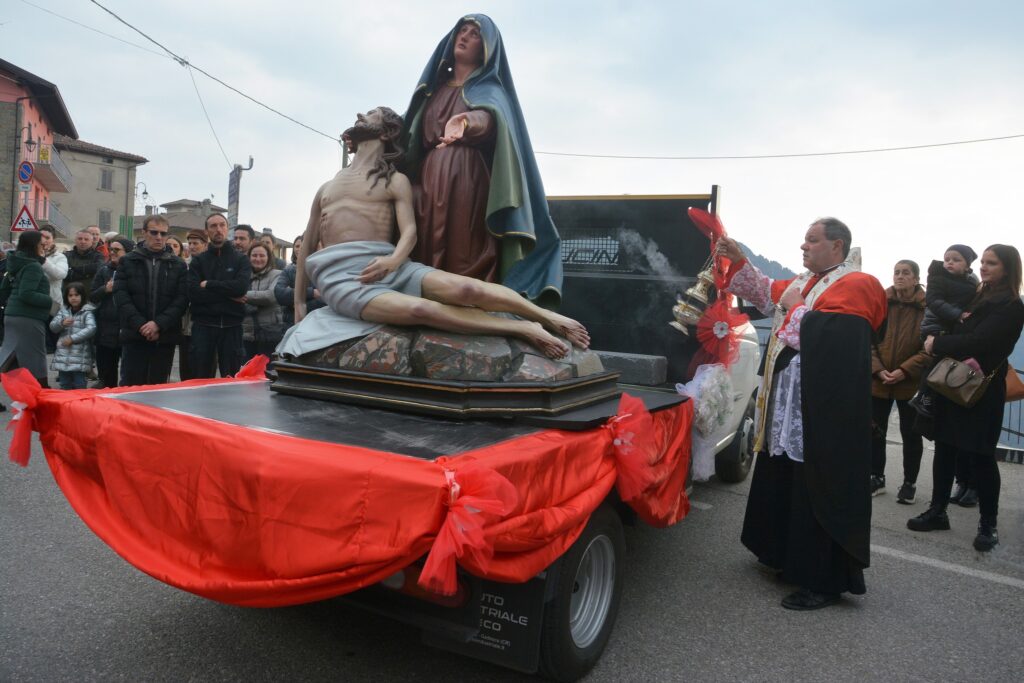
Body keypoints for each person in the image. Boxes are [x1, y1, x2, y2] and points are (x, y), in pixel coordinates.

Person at [283, 107, 589, 361]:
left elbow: (409, 232)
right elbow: (307, 246)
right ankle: (524, 329)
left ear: (386, 133)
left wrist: (393, 261)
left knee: (468, 289)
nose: (361, 114)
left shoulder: (395, 181)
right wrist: (299, 304)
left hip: (392, 264)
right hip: (347, 281)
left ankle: (546, 316)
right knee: (421, 309)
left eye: (372, 114)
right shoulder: (327, 187)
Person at [716, 219, 886, 610]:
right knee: (790, 478)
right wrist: (738, 258)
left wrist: (794, 309)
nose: (803, 246)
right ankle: (787, 556)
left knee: (817, 485)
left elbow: (831, 339)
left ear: (837, 246)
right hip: (791, 405)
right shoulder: (807, 281)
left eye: (812, 240)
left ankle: (822, 579)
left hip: (824, 411)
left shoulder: (858, 284)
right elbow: (767, 293)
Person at [401, 14, 563, 307]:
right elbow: (406, 129)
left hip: (468, 180)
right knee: (425, 245)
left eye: (474, 33)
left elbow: (490, 120)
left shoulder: (491, 91)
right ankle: (427, 305)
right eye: (462, 30)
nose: (464, 36)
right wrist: (368, 136)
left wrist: (465, 122)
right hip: (428, 180)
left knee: (464, 249)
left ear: (487, 48)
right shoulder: (433, 90)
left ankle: (468, 309)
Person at [908, 245, 1024, 552]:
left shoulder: (1012, 305)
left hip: (982, 389)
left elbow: (980, 342)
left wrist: (937, 343)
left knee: (981, 455)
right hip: (953, 383)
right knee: (945, 448)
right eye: (983, 261)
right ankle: (937, 511)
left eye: (992, 263)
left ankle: (988, 524)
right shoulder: (978, 295)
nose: (984, 267)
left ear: (1008, 268)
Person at [910, 244, 981, 505]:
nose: (949, 263)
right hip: (937, 329)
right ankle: (925, 397)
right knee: (936, 369)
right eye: (947, 259)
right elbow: (935, 302)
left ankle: (967, 484)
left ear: (967, 264)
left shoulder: (973, 283)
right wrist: (959, 315)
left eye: (956, 259)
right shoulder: (939, 278)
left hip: (953, 337)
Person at [870, 260, 929, 502]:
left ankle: (909, 483)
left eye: (906, 273)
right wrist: (878, 369)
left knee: (911, 435)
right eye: (896, 272)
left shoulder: (926, 308)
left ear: (916, 279)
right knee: (874, 431)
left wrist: (905, 370)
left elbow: (929, 349)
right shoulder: (881, 303)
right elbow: (868, 340)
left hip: (910, 383)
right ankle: (876, 477)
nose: (900, 276)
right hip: (879, 380)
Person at [114, 216, 188, 386]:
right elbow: (121, 296)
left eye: (163, 233)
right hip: (134, 334)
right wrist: (141, 325)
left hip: (164, 335)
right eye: (154, 232)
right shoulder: (127, 260)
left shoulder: (178, 264)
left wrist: (158, 324)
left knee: (158, 388)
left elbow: (182, 299)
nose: (159, 237)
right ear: (144, 232)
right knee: (131, 387)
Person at [188, 213, 251, 378]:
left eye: (222, 225)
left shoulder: (241, 260)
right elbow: (194, 294)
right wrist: (229, 295)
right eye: (213, 226)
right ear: (206, 231)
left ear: (227, 228)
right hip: (203, 326)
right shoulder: (198, 261)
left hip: (232, 327)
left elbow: (240, 288)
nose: (218, 229)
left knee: (232, 380)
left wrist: (209, 284)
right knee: (201, 379)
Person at [0, 231, 55, 389]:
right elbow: (26, 294)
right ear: (33, 245)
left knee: (11, 355)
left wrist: (11, 306)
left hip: (12, 315)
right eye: (41, 243)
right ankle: (42, 391)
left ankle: (36, 391)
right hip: (28, 318)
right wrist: (50, 302)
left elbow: (3, 290)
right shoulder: (32, 266)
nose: (44, 246)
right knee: (35, 357)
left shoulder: (15, 262)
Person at [90, 237, 132, 388]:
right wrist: (105, 289)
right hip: (106, 327)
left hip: (127, 326)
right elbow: (92, 296)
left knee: (129, 374)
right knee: (106, 374)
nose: (112, 252)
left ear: (127, 252)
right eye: (111, 249)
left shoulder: (134, 270)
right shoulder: (104, 270)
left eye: (117, 250)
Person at [49, 282, 97, 390]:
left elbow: (91, 328)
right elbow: (52, 327)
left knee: (80, 385)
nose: (73, 298)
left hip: (80, 356)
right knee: (64, 384)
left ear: (82, 296)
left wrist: (72, 338)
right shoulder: (63, 311)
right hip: (63, 355)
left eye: (76, 295)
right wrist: (61, 323)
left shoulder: (87, 312)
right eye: (70, 295)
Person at [242, 243, 284, 360]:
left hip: (270, 332)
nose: (258, 259)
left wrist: (242, 295)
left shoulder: (277, 274)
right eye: (254, 255)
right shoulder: (242, 275)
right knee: (246, 368)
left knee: (267, 368)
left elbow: (270, 296)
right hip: (247, 332)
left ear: (268, 257)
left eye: (262, 255)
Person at [275, 235, 324, 327]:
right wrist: (312, 293)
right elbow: (279, 294)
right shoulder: (288, 271)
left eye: (303, 246)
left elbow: (326, 299)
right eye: (297, 246)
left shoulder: (323, 270)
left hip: (317, 324)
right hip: (292, 325)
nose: (300, 249)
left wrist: (298, 304)